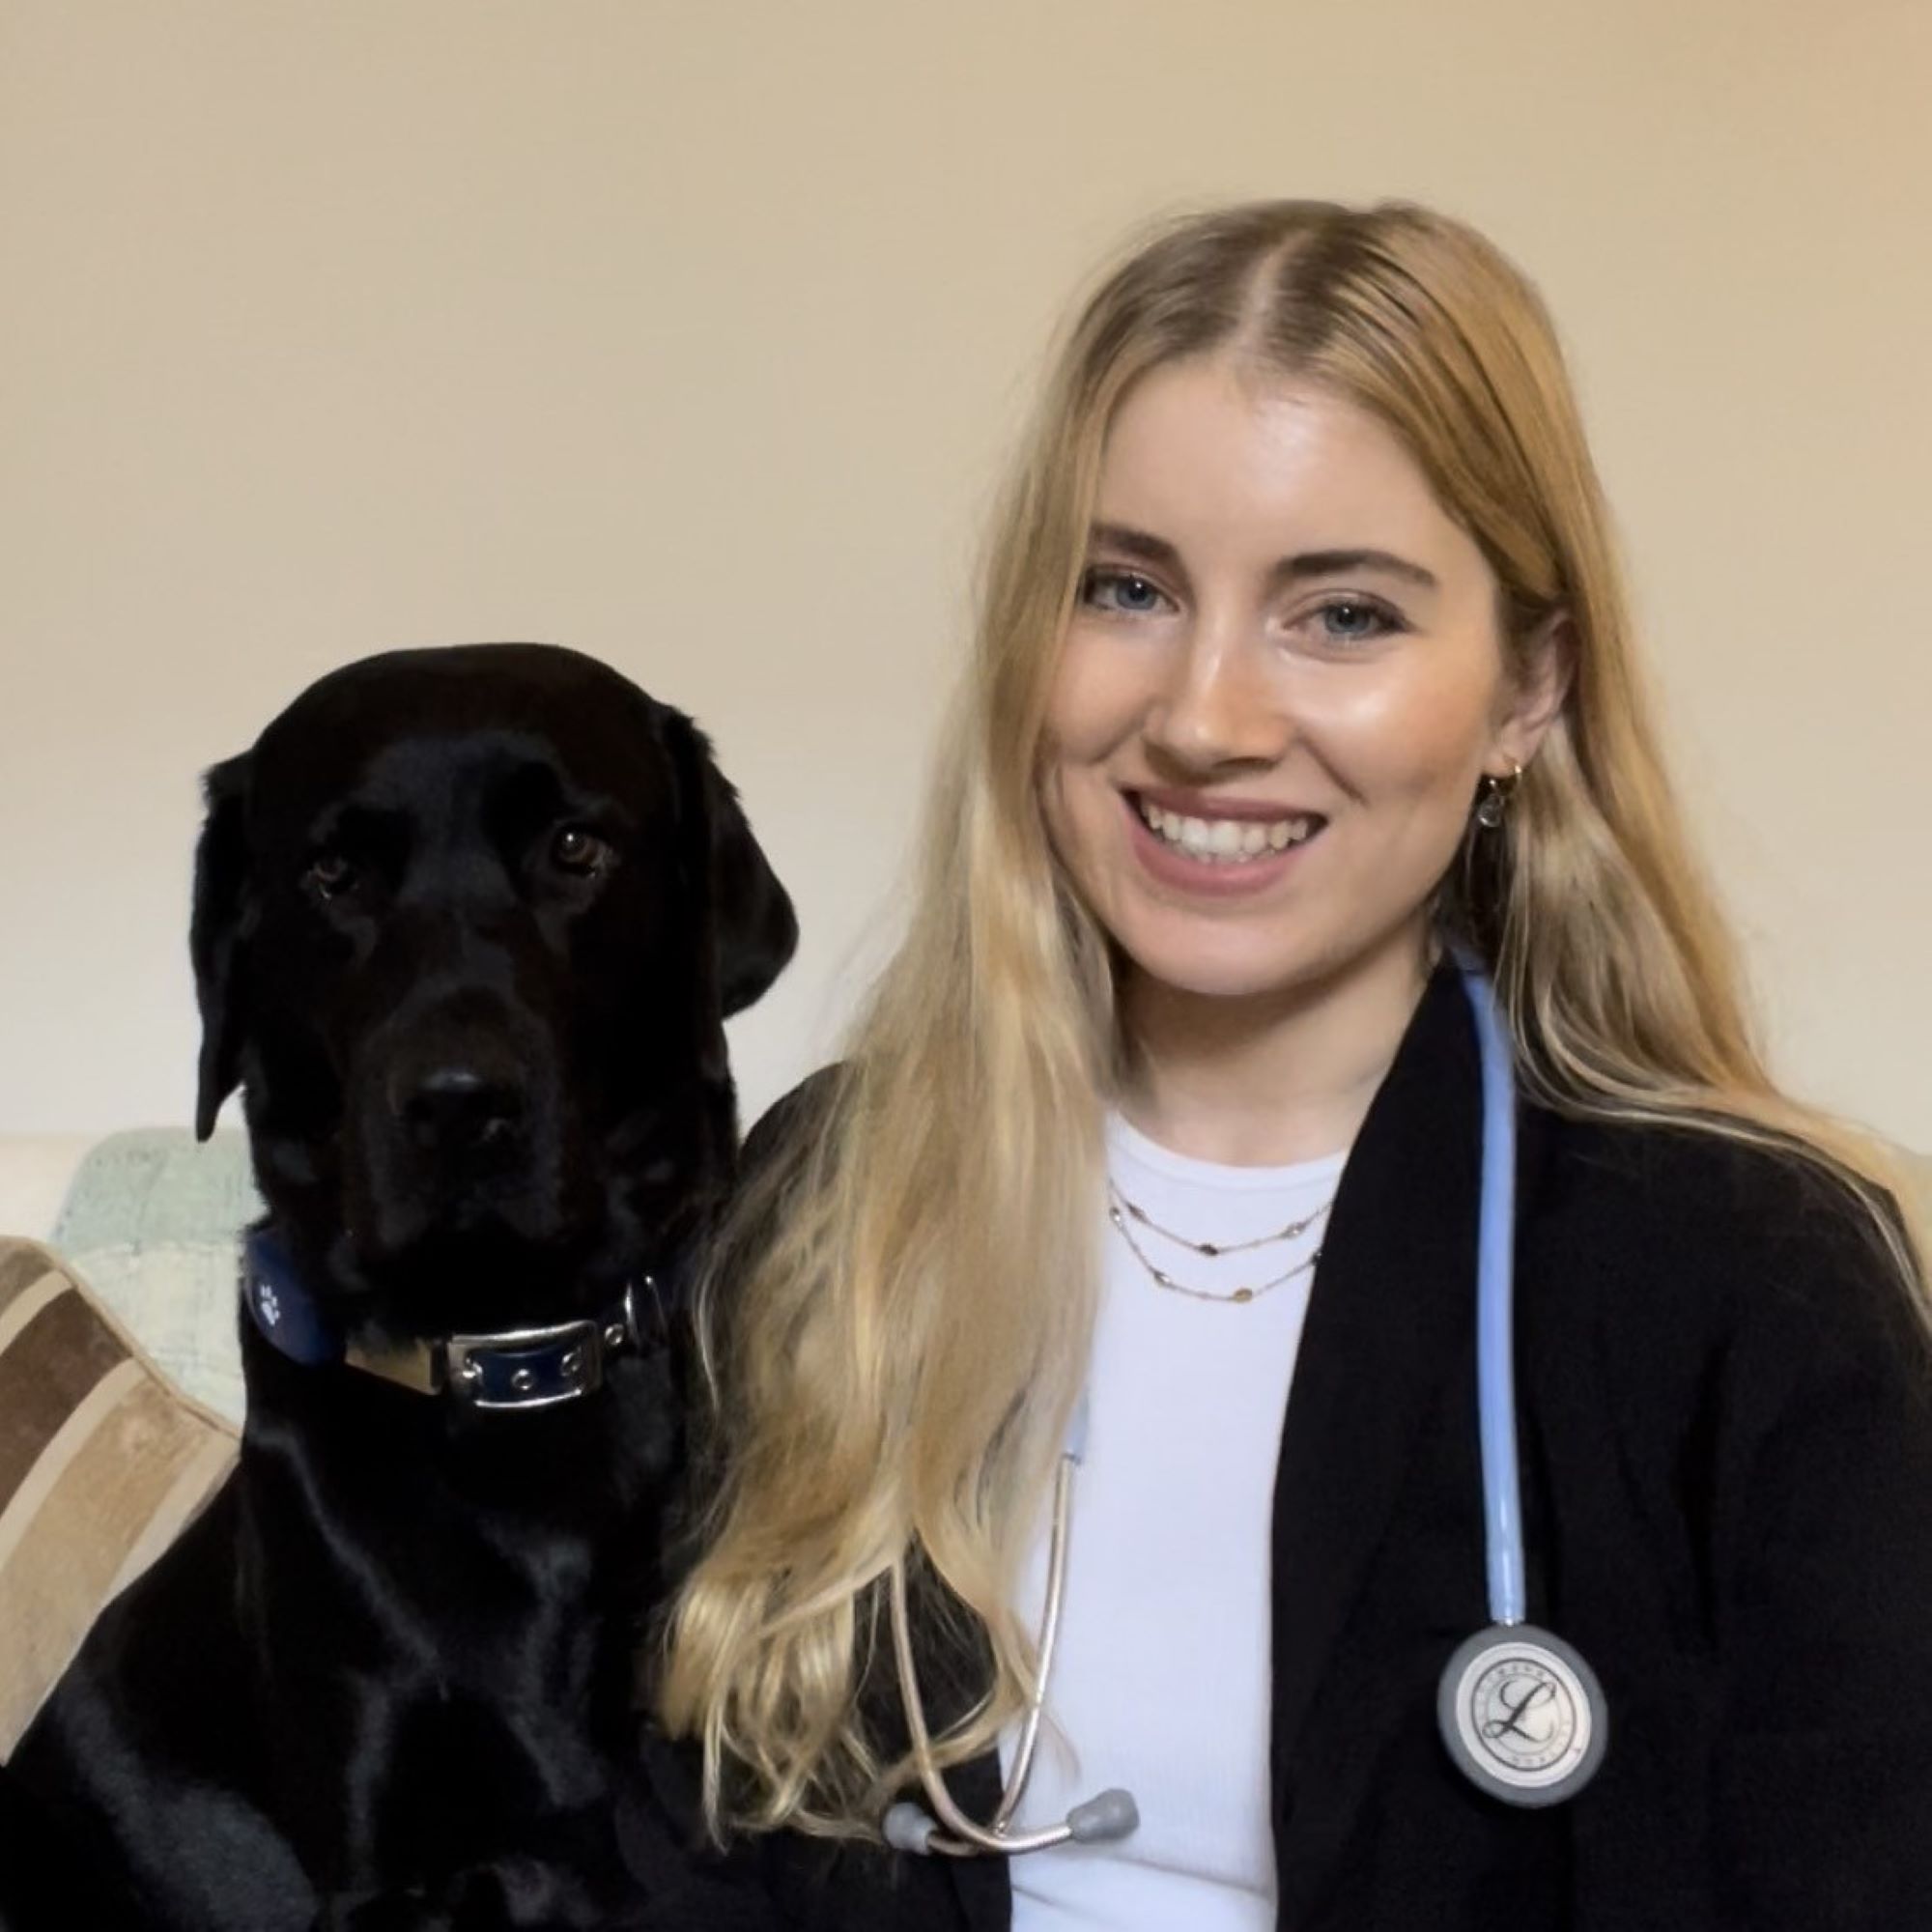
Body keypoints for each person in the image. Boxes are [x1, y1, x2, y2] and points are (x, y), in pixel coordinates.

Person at [644, 200, 1932, 1929]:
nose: (1205, 716)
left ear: (1526, 693)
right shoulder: (831, 1200)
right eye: (1125, 588)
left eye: (1342, 616)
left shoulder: (1754, 1284)